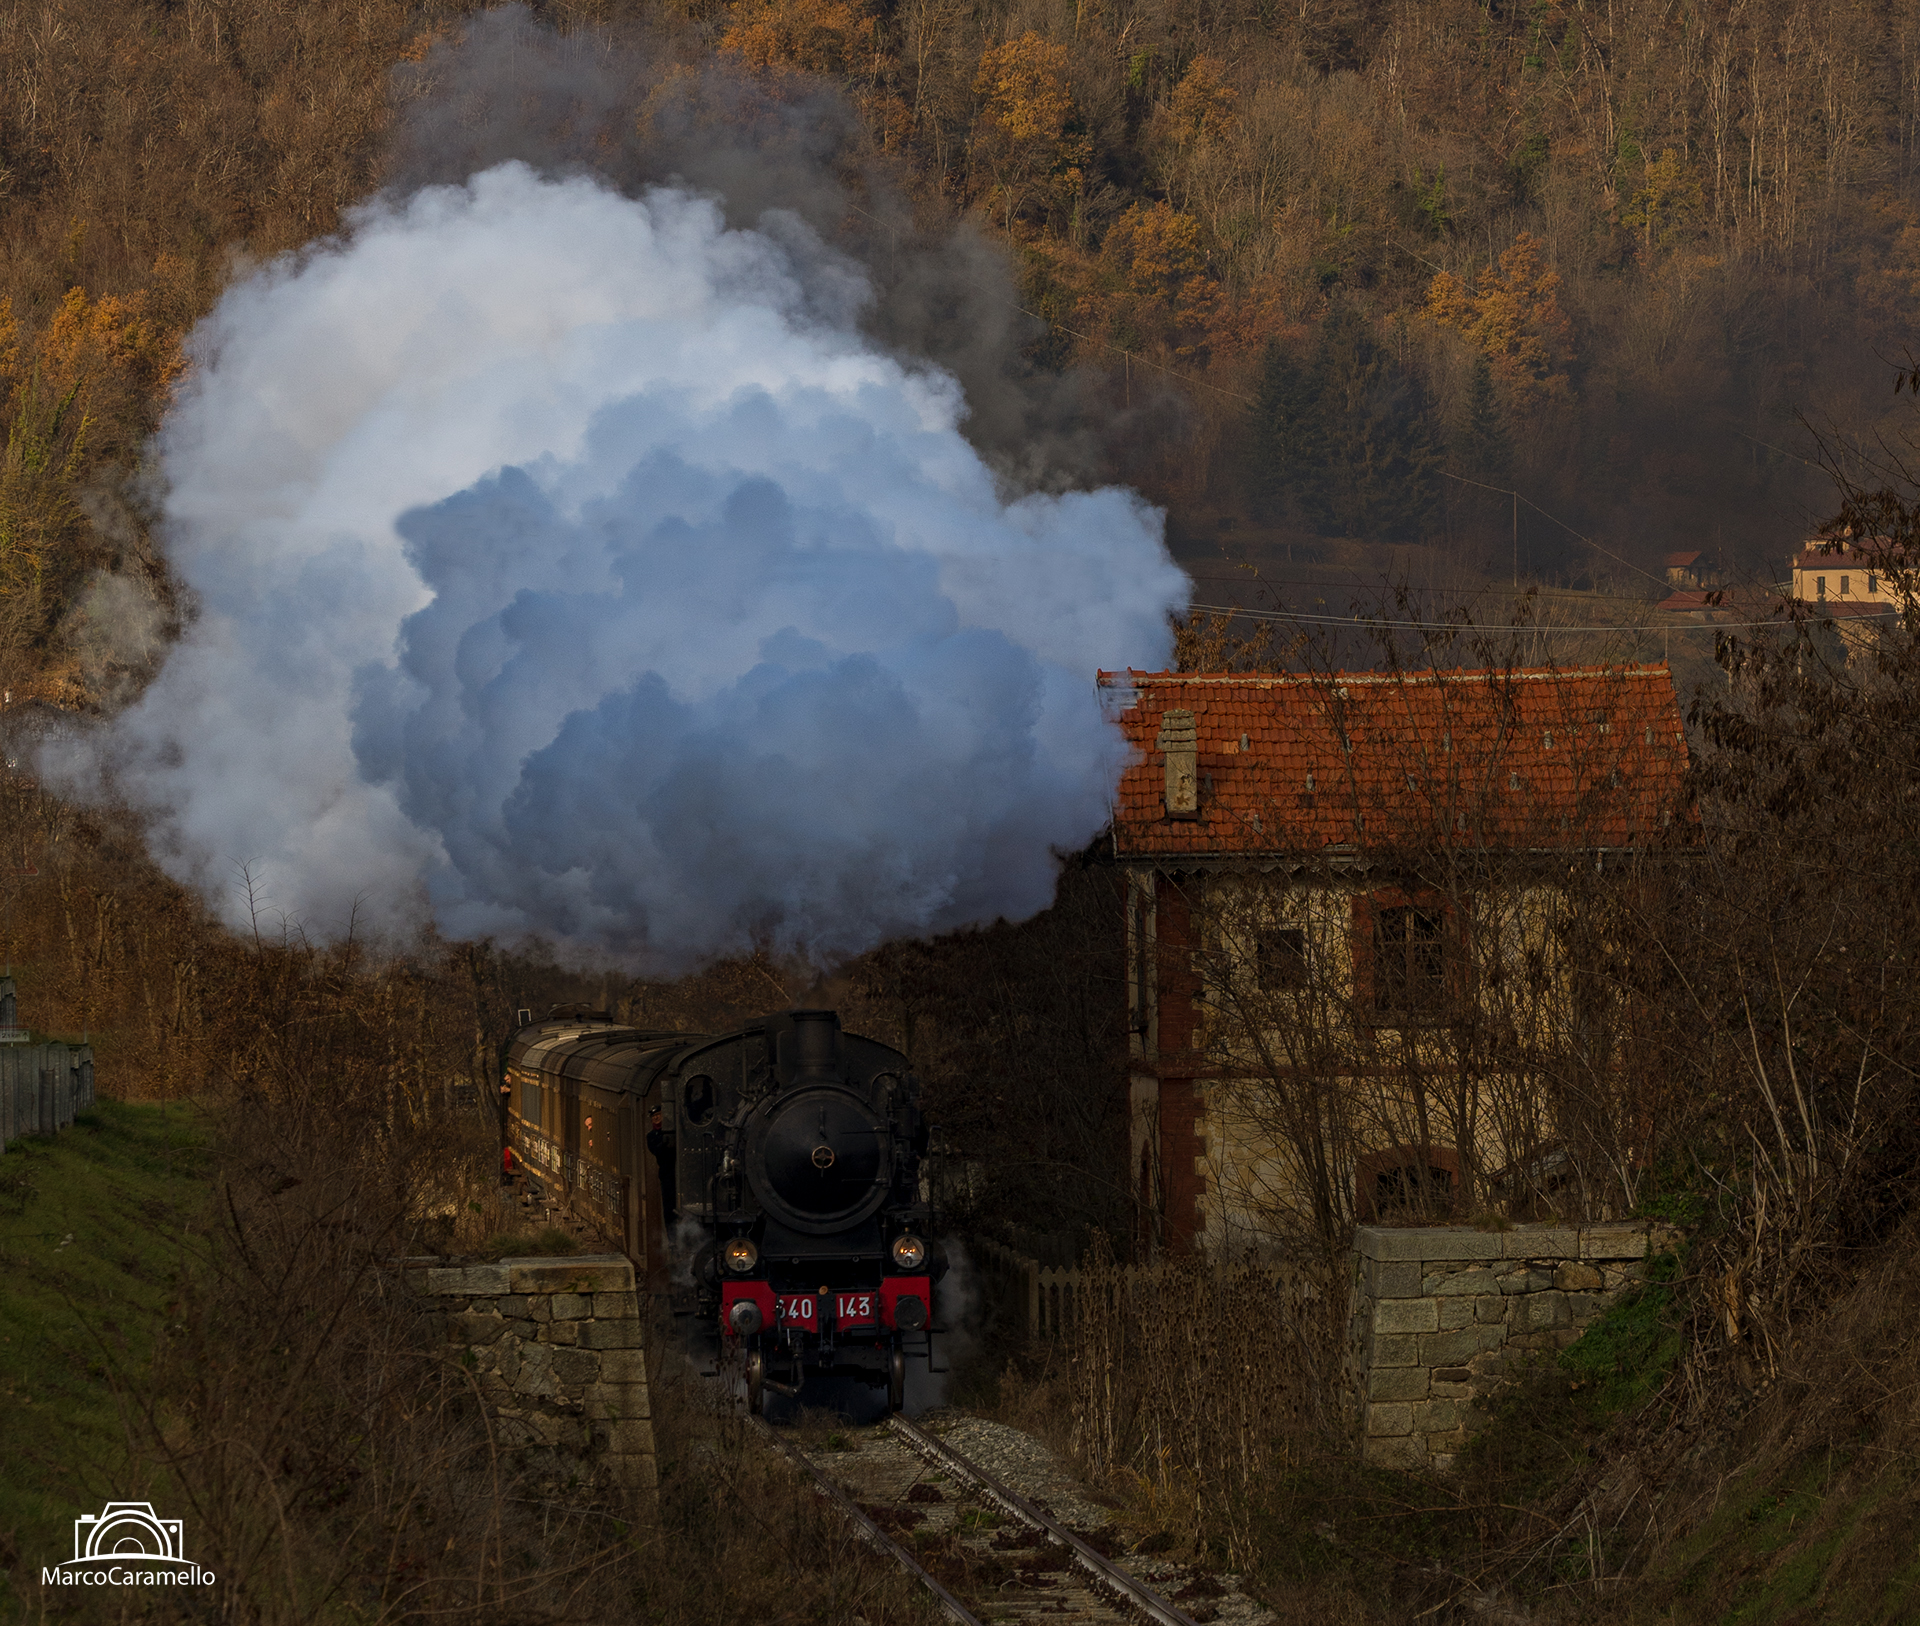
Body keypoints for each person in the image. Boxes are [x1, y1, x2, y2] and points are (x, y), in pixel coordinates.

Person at [646, 1106, 676, 1223]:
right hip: (667, 1172)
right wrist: (663, 1143)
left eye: (658, 1114)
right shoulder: (651, 1136)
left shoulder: (674, 1130)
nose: (656, 1117)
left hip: (677, 1171)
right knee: (669, 1206)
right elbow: (656, 1151)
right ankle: (672, 1236)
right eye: (654, 1116)